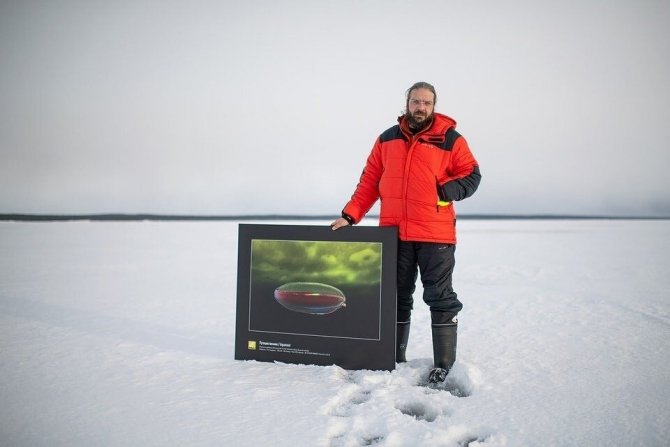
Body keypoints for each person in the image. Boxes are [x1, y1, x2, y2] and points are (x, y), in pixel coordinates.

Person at [331, 81, 481, 383]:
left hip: (435, 234)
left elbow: (472, 175)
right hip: (394, 233)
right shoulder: (387, 139)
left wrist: (446, 189)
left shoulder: (451, 139)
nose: (420, 107)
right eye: (415, 101)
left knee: (440, 297)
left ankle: (444, 365)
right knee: (397, 296)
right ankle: (395, 356)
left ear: (434, 105)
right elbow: (370, 181)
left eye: (426, 102)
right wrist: (350, 215)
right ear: (407, 103)